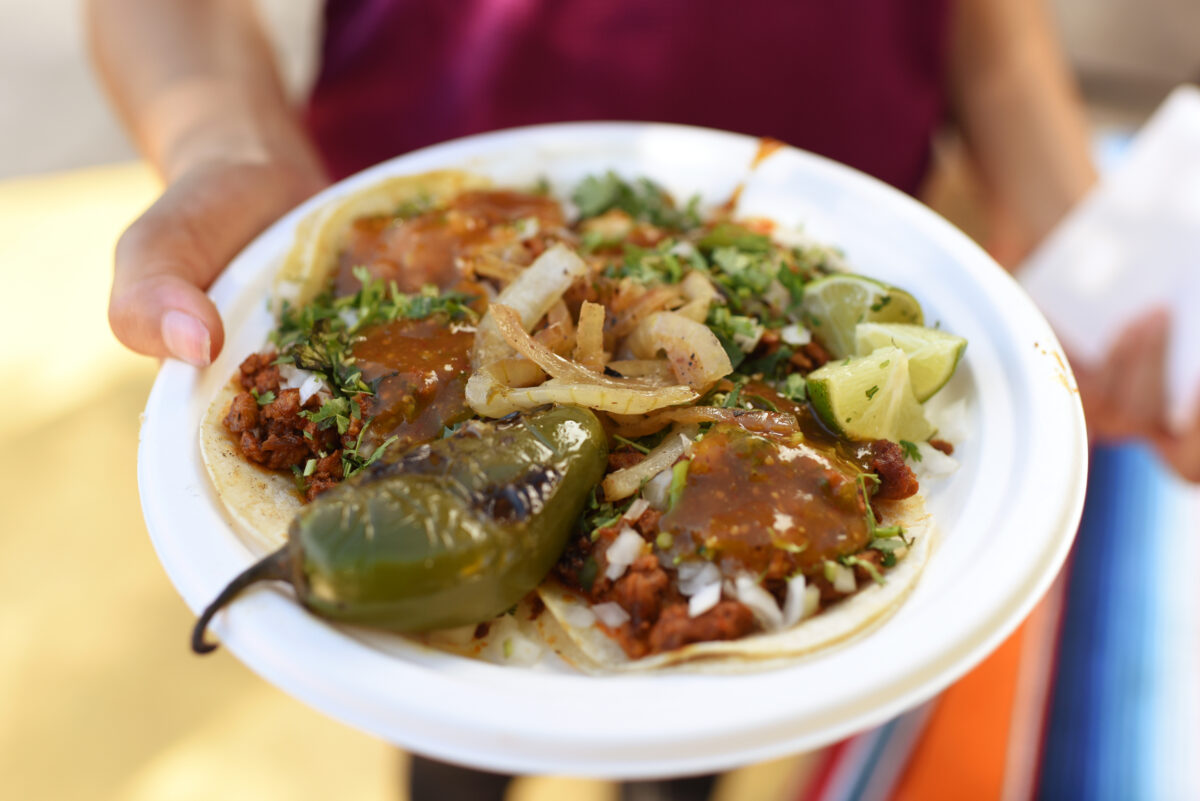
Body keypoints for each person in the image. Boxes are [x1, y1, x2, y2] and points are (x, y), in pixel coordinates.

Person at [86, 0, 1200, 798]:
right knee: (443, 725)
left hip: (818, 225)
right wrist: (224, 140)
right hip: (404, 214)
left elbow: (989, 32)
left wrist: (1098, 258)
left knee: (683, 751)